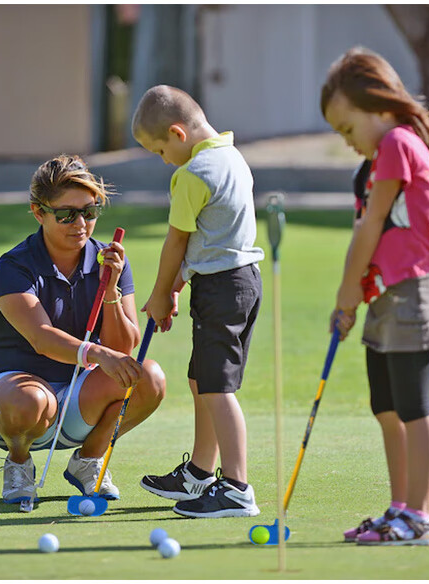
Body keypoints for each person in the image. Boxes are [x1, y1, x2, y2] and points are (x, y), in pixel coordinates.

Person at [0, 154, 166, 507]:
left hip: (78, 401)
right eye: (66, 214)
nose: (80, 223)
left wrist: (110, 291)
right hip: (12, 400)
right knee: (31, 399)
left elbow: (123, 347)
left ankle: (89, 460)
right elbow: (41, 337)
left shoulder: (111, 262)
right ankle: (18, 462)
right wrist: (98, 353)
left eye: (89, 212)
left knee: (148, 377)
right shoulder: (14, 266)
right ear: (38, 212)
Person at [320, 47, 429, 545]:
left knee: (413, 407)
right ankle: (399, 508)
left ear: (377, 106)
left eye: (348, 128)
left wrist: (344, 296)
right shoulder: (380, 156)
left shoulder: (398, 142)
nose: (348, 142)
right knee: (386, 406)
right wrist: (355, 296)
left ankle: (420, 517)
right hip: (384, 296)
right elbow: (366, 222)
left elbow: (371, 226)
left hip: (412, 291)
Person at [131, 85, 265, 518]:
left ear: (177, 134)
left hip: (221, 289)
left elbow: (178, 243)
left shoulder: (190, 174)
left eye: (159, 150)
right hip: (241, 283)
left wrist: (158, 293)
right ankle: (200, 473)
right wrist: (176, 291)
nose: (162, 159)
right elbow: (212, 241)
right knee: (201, 379)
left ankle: (236, 487)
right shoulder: (232, 157)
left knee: (216, 387)